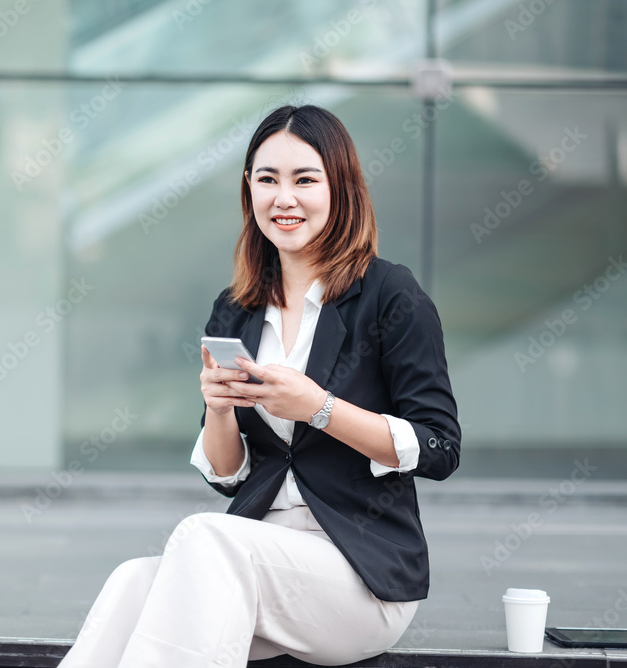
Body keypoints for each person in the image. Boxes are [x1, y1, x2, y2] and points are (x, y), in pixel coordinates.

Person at [57, 104, 461, 668]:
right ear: (248, 190)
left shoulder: (391, 296)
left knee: (205, 538)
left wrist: (318, 408)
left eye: (305, 180)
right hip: (253, 558)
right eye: (267, 179)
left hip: (361, 572)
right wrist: (219, 409)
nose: (283, 198)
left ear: (340, 187)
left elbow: (439, 448)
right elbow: (229, 478)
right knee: (132, 581)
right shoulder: (237, 308)